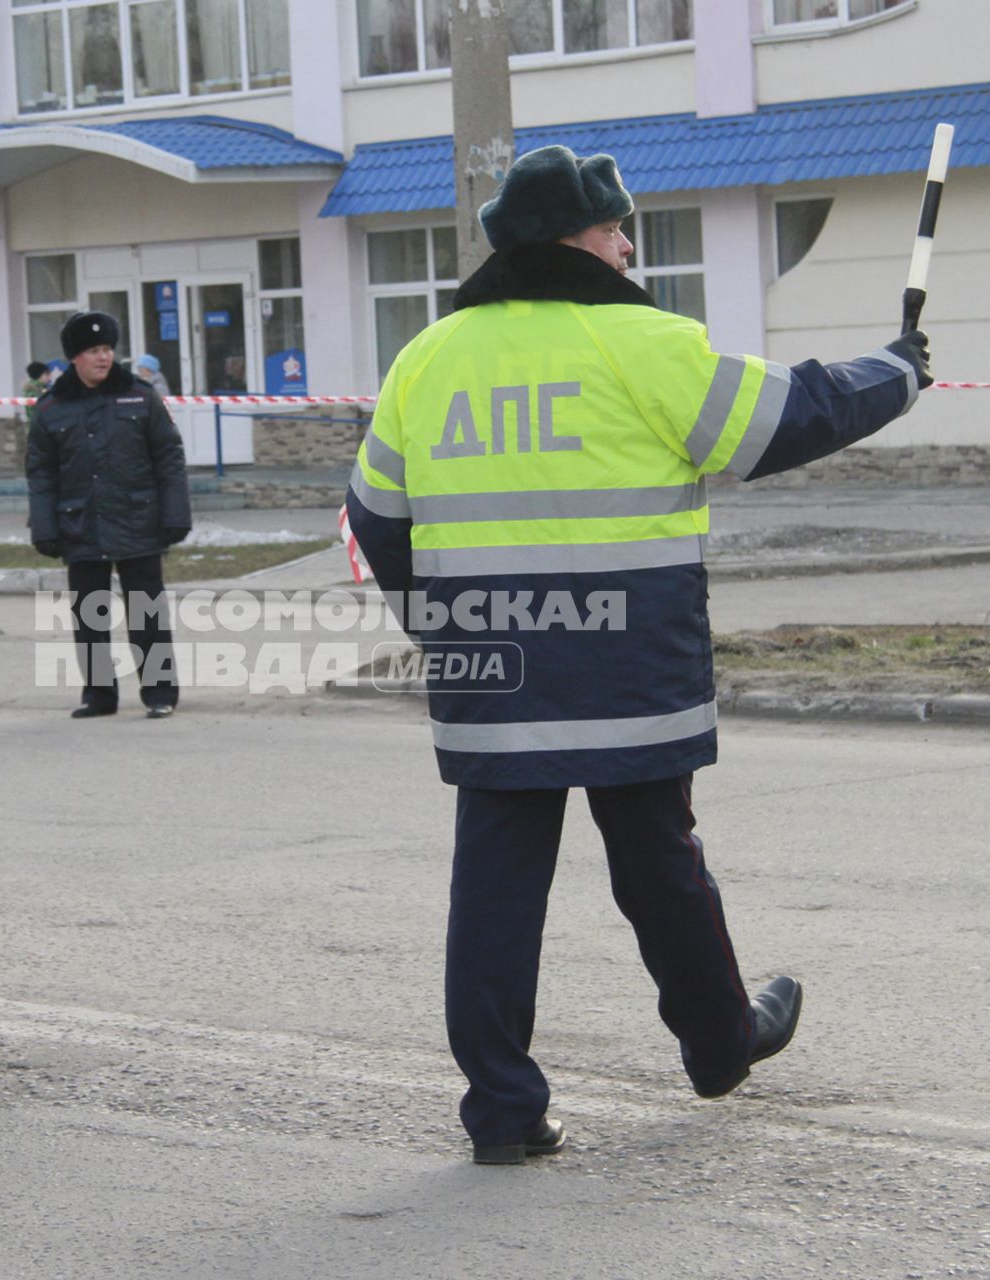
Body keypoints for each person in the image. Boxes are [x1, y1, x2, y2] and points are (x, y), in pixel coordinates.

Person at [345, 145, 933, 1165]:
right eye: (620, 229)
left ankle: (501, 1110)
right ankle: (717, 1043)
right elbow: (789, 413)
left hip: (494, 670)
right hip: (625, 664)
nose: (629, 246)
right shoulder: (640, 341)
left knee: (493, 887)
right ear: (577, 237)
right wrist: (900, 370)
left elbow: (376, 517)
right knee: (661, 864)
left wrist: (444, 628)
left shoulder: (427, 357)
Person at [26, 310, 191, 719]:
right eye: (93, 351)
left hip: (139, 518)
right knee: (89, 617)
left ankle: (159, 693)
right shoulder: (52, 408)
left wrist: (175, 514)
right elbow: (40, 472)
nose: (103, 357)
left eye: (107, 349)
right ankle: (99, 696)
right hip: (80, 523)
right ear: (75, 358)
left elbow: (169, 455)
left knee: (147, 612)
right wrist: (45, 527)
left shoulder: (140, 396)